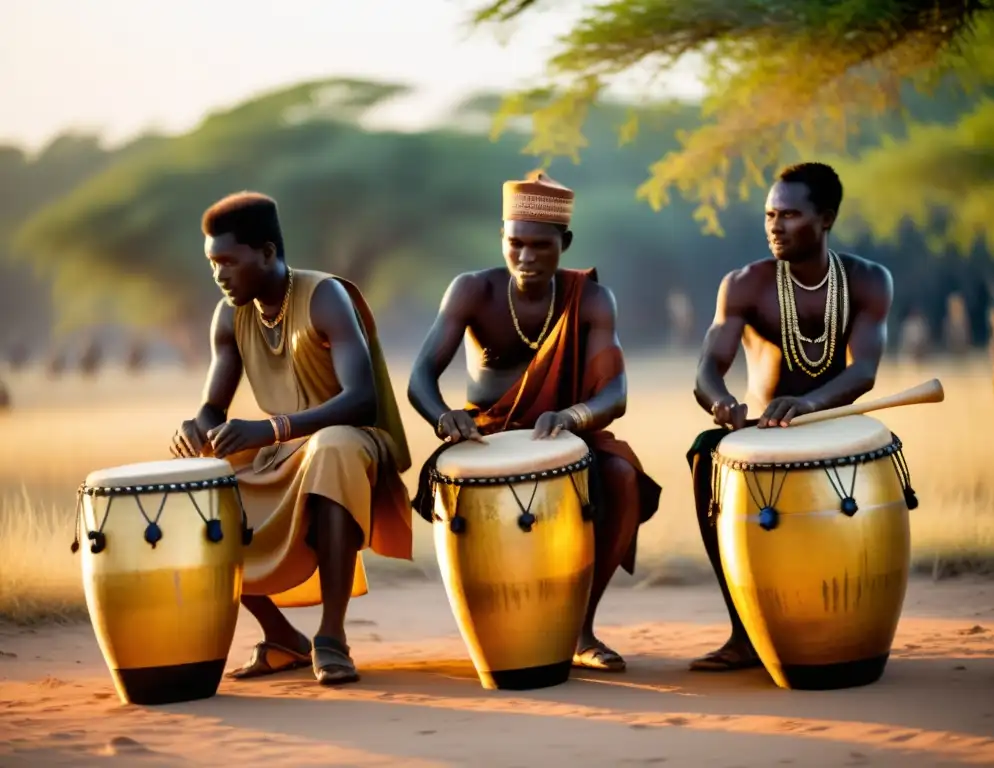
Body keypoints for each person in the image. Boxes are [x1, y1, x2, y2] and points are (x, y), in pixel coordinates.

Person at [407, 170, 662, 673]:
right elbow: (419, 378)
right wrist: (445, 418)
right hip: (485, 437)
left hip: (565, 434)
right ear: (501, 239)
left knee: (622, 476)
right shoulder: (472, 290)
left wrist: (572, 416)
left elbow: (616, 393)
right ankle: (495, 631)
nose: (525, 257)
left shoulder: (590, 298)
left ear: (564, 243)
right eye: (514, 243)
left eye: (540, 246)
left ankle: (581, 628)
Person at [169, 192, 414, 686]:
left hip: (354, 440)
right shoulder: (229, 316)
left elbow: (360, 399)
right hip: (286, 449)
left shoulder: (325, 296)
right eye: (212, 263)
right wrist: (195, 427)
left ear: (265, 252)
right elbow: (213, 405)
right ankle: (281, 636)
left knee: (333, 448)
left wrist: (272, 428)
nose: (219, 275)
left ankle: (331, 637)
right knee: (199, 487)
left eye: (228, 262)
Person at [688, 162, 894, 672]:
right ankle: (743, 632)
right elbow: (708, 369)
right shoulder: (744, 284)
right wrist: (721, 403)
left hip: (838, 429)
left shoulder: (868, 280)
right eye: (769, 214)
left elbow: (863, 371)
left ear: (825, 218)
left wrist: (809, 405)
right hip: (762, 434)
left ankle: (857, 628)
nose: (775, 225)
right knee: (703, 459)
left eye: (790, 214)